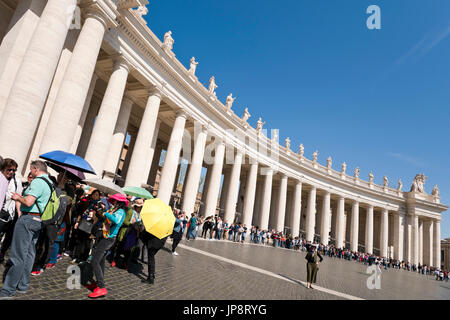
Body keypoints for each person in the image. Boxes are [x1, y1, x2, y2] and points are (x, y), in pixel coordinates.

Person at [0, 160, 51, 299]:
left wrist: (18, 197)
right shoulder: (49, 183)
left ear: (35, 169)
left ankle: (8, 290)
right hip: (38, 220)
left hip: (28, 219)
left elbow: (28, 201)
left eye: (31, 170)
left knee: (18, 256)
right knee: (29, 253)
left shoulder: (38, 181)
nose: (31, 173)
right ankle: (23, 285)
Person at [85, 193, 127, 298]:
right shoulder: (114, 209)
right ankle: (99, 283)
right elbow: (106, 219)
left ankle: (101, 287)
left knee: (94, 260)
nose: (114, 203)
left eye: (116, 201)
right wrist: (102, 211)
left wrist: (106, 213)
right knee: (101, 261)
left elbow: (116, 220)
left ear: (120, 202)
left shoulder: (121, 211)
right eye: (114, 201)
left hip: (109, 239)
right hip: (104, 236)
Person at [0, 159, 22, 263]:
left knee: (7, 237)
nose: (12, 172)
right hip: (1, 210)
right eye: (9, 169)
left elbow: (18, 198)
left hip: (9, 214)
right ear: (3, 168)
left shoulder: (16, 181)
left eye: (14, 170)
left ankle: (2, 253)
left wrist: (19, 213)